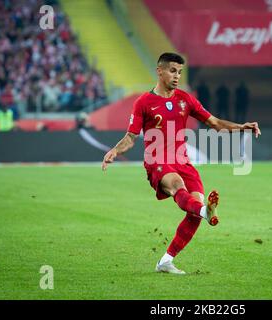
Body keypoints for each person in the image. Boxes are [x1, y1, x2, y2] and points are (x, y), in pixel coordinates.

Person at [101, 53, 261, 275]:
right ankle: (206, 211)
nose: (177, 76)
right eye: (173, 71)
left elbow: (214, 123)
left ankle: (166, 261)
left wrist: (242, 127)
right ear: (160, 71)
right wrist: (114, 150)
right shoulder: (144, 102)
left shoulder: (185, 99)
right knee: (178, 186)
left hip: (183, 162)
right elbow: (131, 137)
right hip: (157, 161)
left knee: (193, 212)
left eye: (180, 72)